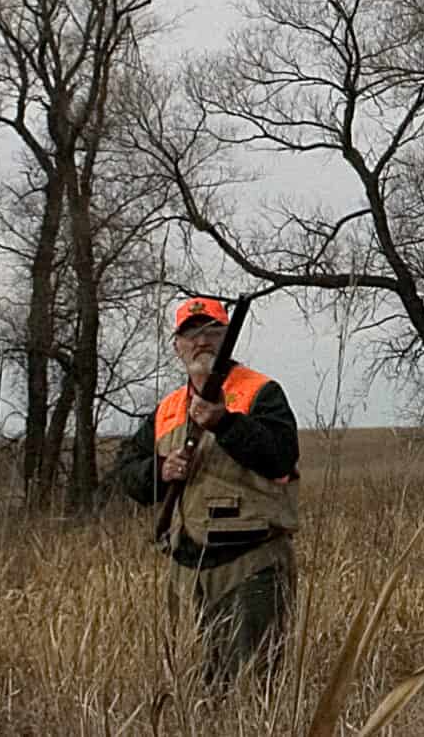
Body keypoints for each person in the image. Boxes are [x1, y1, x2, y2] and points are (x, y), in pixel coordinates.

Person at [113, 296, 302, 694]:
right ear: (176, 346)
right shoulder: (166, 410)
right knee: (196, 688)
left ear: (227, 336)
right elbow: (126, 475)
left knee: (254, 686)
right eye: (189, 333)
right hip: (186, 570)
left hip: (251, 562)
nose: (201, 341)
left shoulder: (261, 393)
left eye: (211, 331)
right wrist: (159, 471)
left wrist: (225, 423)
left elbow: (281, 457)